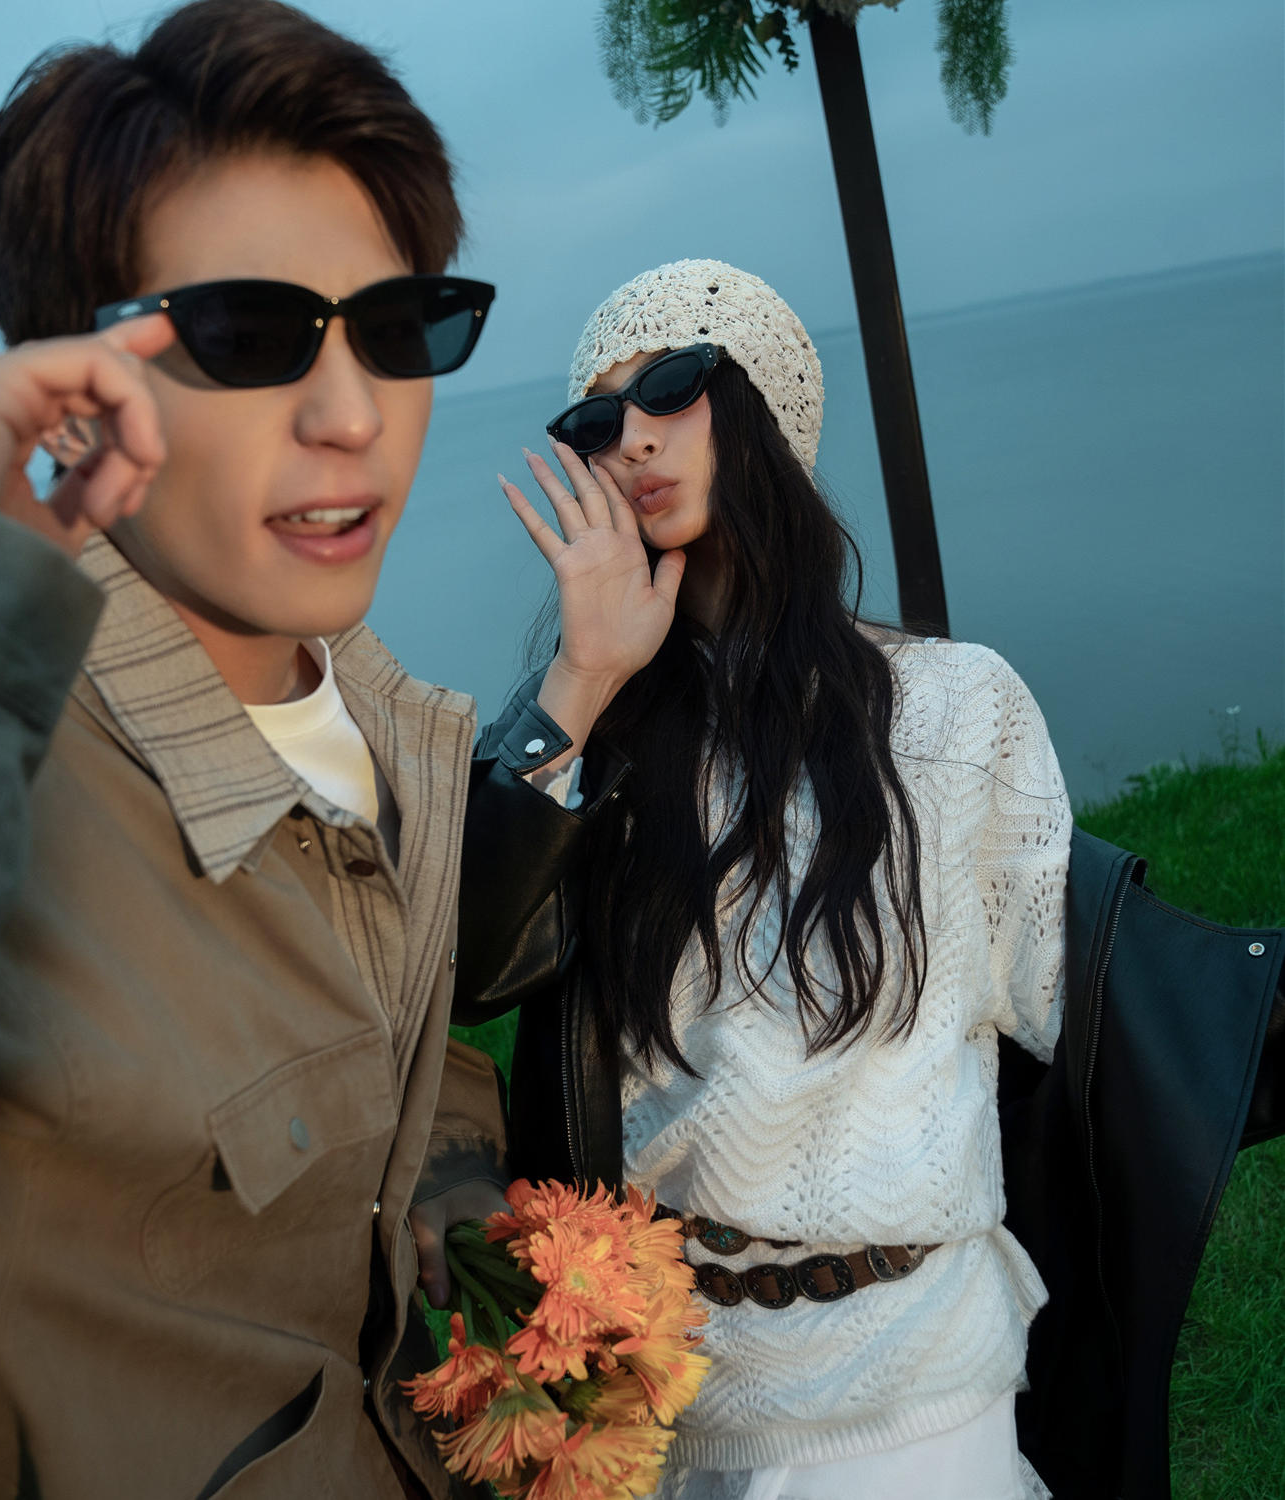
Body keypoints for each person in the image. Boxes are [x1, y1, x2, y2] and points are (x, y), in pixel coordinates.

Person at [0, 4, 647, 1496]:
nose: (352, 416)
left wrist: (454, 1195)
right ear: (75, 391)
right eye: (251, 337)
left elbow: (389, 1035)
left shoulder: (377, 722)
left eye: (397, 328)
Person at [472, 259, 1074, 1499]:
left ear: (763, 405)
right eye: (596, 421)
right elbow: (473, 966)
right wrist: (582, 678)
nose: (632, 438)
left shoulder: (956, 708)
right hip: (665, 1389)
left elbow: (1076, 996)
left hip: (914, 1381)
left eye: (671, 386)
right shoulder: (597, 736)